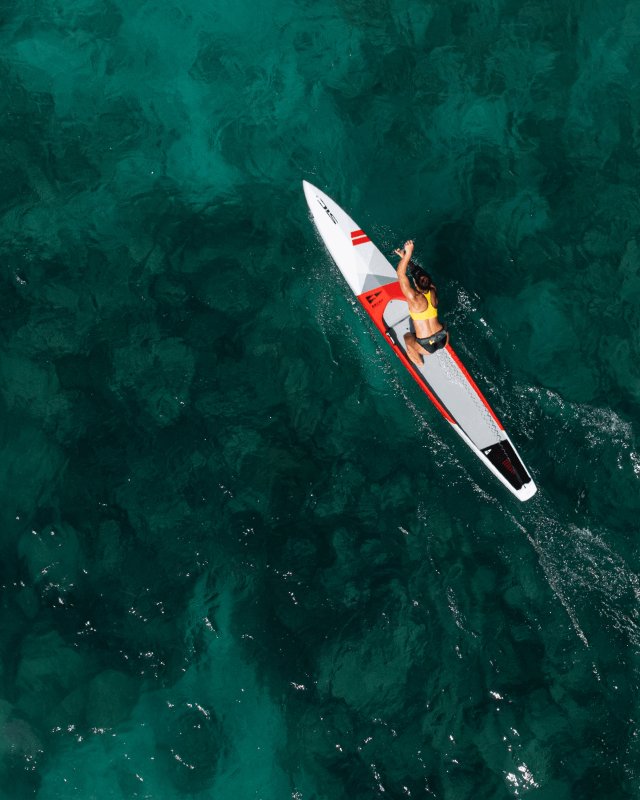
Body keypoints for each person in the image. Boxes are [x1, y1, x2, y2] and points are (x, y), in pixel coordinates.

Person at [394, 240, 449, 366]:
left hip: (426, 347)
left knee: (407, 337)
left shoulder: (413, 297)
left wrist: (408, 254)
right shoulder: (433, 290)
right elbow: (420, 275)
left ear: (415, 284)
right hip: (444, 338)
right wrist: (405, 257)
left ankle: (419, 362)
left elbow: (400, 273)